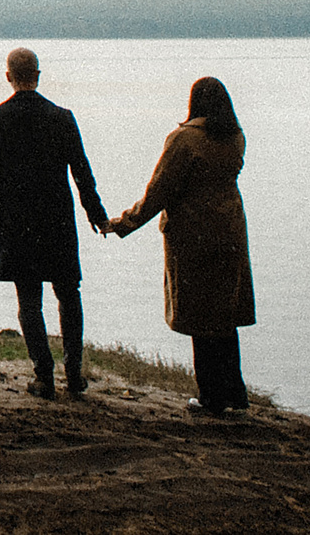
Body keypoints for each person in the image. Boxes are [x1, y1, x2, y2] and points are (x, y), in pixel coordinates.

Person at [109, 76, 255, 416]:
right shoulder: (236, 138)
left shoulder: (184, 140)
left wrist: (124, 223)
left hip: (195, 235)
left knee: (201, 317)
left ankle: (210, 398)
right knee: (225, 316)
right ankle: (235, 393)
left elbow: (159, 191)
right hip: (231, 231)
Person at [0, 46, 108, 399]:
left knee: (29, 300)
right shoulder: (62, 117)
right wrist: (96, 215)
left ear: (8, 77)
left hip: (16, 223)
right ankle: (74, 373)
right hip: (57, 221)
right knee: (69, 294)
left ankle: (43, 375)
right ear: (38, 74)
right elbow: (83, 173)